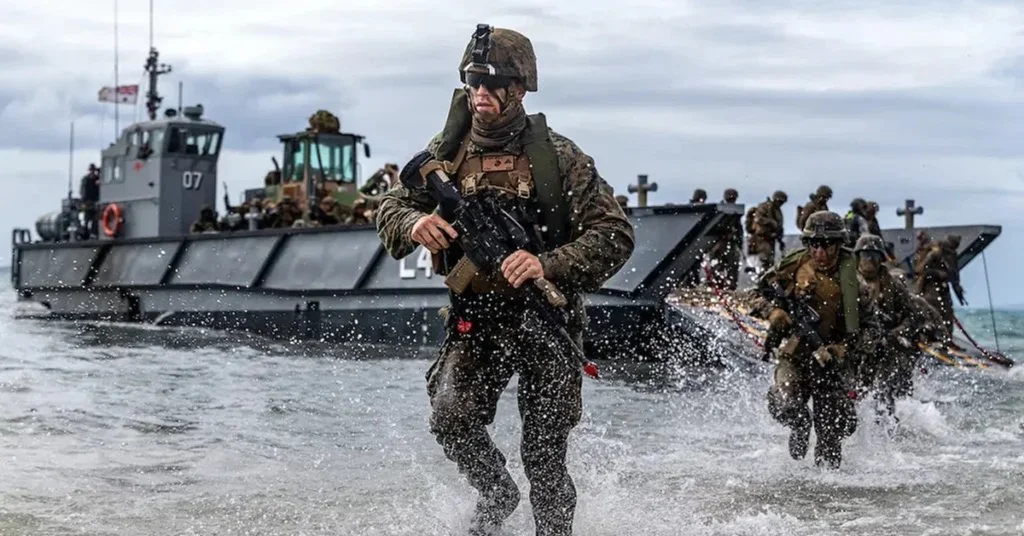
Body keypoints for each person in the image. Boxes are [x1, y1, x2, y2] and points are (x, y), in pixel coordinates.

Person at [375, 24, 635, 536]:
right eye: (474, 83)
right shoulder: (445, 152)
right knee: (450, 417)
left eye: (493, 85)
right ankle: (495, 492)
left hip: (545, 319)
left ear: (519, 90)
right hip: (477, 319)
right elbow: (393, 204)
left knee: (543, 453)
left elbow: (615, 234)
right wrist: (415, 223)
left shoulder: (558, 157)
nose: (481, 95)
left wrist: (548, 264)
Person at [759, 211, 871, 469]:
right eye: (813, 244)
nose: (820, 251)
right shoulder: (792, 266)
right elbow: (756, 294)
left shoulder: (853, 281)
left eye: (827, 244)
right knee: (785, 404)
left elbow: (872, 330)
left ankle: (827, 500)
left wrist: (844, 348)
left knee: (831, 438)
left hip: (831, 363)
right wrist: (773, 312)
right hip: (795, 355)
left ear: (839, 243)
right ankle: (799, 424)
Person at [853, 234, 919, 419]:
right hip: (855, 345)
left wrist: (894, 333)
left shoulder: (893, 285)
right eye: (865, 255)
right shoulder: (849, 282)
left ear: (881, 258)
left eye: (873, 255)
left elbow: (912, 317)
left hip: (885, 346)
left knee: (885, 393)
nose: (868, 260)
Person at [745, 190, 787, 274]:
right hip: (761, 239)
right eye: (779, 201)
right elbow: (758, 219)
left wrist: (780, 239)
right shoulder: (765, 206)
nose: (780, 203)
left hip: (770, 240)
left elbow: (779, 226)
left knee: (769, 263)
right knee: (763, 262)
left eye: (782, 202)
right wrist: (771, 222)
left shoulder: (777, 211)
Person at [79, 163, 101, 238]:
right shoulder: (85, 179)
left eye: (93, 170)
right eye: (91, 170)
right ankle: (85, 234)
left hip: (95, 202)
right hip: (87, 202)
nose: (92, 172)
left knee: (95, 219)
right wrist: (83, 202)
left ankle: (93, 233)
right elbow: (83, 191)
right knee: (86, 219)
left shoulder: (97, 179)